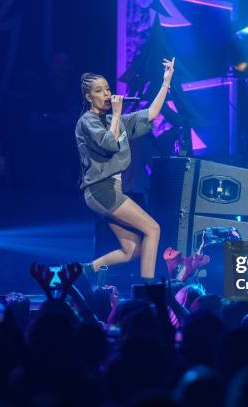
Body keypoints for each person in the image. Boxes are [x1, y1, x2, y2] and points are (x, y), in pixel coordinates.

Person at [75, 58, 175, 284]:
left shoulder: (113, 120)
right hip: (101, 189)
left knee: (133, 250)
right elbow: (109, 144)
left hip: (111, 191)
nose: (106, 94)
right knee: (153, 229)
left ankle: (88, 269)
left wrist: (165, 82)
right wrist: (118, 115)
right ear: (89, 97)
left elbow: (150, 114)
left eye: (108, 89)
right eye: (99, 91)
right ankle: (149, 290)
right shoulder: (87, 122)